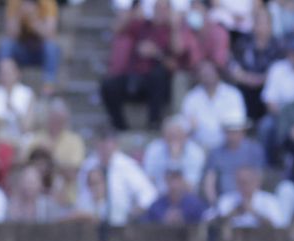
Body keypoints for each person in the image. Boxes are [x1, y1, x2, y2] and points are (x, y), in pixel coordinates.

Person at [101, 0, 199, 132]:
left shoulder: (174, 31)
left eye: (163, 9)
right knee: (109, 85)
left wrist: (156, 53)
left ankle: (154, 123)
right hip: (135, 78)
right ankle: (120, 126)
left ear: (170, 12)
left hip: (160, 86)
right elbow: (116, 29)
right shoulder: (143, 25)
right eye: (156, 8)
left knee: (158, 75)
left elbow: (176, 62)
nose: (159, 12)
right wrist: (133, 8)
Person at [74, 128, 158, 223]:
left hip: (121, 223)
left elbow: (149, 193)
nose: (105, 149)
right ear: (96, 144)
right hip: (90, 222)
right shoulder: (87, 166)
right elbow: (80, 193)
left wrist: (134, 212)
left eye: (108, 146)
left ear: (115, 145)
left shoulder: (127, 165)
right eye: (102, 145)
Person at [180, 61, 249, 151]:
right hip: (199, 146)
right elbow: (186, 124)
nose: (207, 76)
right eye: (204, 74)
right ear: (198, 77)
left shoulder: (233, 94)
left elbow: (238, 122)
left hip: (227, 147)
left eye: (210, 73)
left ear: (218, 74)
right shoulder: (191, 97)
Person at [0, 0, 62, 91]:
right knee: (6, 45)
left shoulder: (48, 3)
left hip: (40, 51)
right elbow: (11, 34)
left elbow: (50, 35)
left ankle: (48, 85)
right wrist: (19, 16)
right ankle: (5, 81)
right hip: (21, 50)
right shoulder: (14, 3)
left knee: (52, 48)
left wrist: (33, 20)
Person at [201, 116, 266, 200]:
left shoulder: (254, 150)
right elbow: (210, 181)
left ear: (243, 132)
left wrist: (252, 201)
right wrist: (214, 202)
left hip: (250, 197)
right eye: (229, 132)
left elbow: (258, 177)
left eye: (235, 132)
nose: (232, 135)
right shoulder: (215, 153)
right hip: (225, 199)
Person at [142, 114, 207, 189]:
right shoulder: (154, 149)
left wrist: (174, 161)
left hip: (185, 197)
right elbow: (147, 180)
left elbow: (190, 187)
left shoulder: (196, 153)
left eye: (177, 135)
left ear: (185, 136)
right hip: (158, 196)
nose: (173, 139)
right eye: (170, 135)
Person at [213, 163, 287, 226]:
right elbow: (213, 224)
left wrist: (255, 213)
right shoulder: (226, 200)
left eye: (247, 182)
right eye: (240, 182)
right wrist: (232, 214)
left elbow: (279, 226)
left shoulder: (269, 201)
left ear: (257, 182)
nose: (243, 186)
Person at [0, 58, 37, 146]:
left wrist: (14, 111)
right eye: (2, 73)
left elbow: (27, 127)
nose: (5, 76)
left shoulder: (28, 94)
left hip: (21, 140)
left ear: (17, 73)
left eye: (8, 73)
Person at [142, 164, 210, 222]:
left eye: (177, 179)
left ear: (183, 180)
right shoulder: (157, 206)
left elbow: (204, 222)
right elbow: (147, 222)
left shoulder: (195, 204)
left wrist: (183, 217)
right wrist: (163, 217)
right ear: (166, 181)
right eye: (171, 179)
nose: (174, 184)